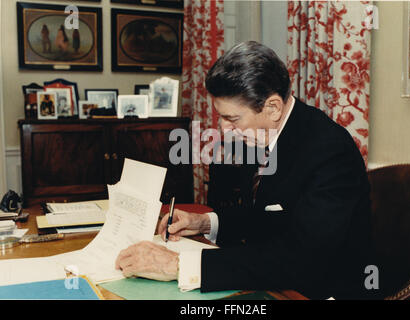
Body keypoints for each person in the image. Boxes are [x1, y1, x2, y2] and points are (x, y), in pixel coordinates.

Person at [115, 41, 376, 299]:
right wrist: (205, 222)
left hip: (321, 291)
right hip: (274, 280)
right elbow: (267, 217)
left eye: (232, 118)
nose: (224, 129)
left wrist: (178, 266)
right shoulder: (260, 134)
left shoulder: (329, 149)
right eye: (221, 117)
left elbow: (302, 258)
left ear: (272, 107)